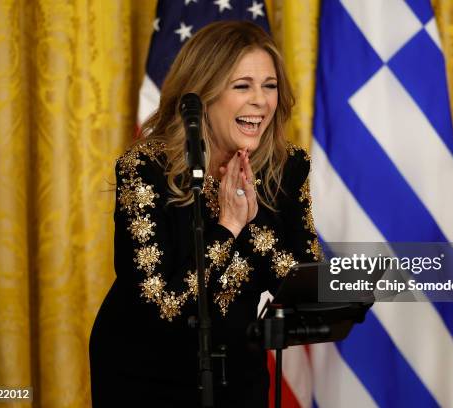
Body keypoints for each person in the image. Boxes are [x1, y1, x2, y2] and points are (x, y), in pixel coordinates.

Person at [89, 21, 322, 407]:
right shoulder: (145, 167)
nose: (261, 101)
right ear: (204, 94)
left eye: (270, 85)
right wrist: (228, 225)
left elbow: (303, 281)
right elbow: (163, 309)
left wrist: (254, 217)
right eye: (242, 85)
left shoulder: (287, 166)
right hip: (145, 372)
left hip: (238, 368)